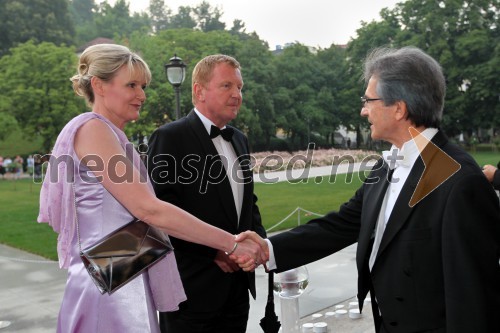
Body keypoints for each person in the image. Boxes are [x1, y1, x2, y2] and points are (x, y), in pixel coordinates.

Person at [237, 46, 500, 332]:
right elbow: (341, 225)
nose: (363, 110)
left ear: (399, 108)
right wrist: (268, 248)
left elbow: (473, 300)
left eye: (369, 100)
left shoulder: (460, 181)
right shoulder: (387, 165)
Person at [37, 44, 262, 333]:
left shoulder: (113, 135)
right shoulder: (93, 129)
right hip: (110, 286)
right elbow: (149, 209)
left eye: (142, 86)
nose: (141, 95)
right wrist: (230, 243)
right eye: (131, 85)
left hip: (122, 273)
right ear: (99, 85)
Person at [147, 54, 267, 333]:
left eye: (240, 87)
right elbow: (161, 210)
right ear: (199, 91)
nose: (237, 94)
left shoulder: (239, 138)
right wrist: (215, 250)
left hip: (238, 288)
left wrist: (260, 245)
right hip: (192, 289)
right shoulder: (170, 137)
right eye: (227, 86)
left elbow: (248, 203)